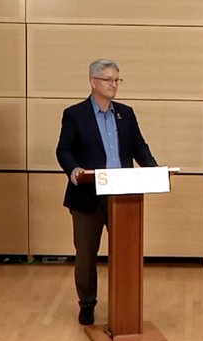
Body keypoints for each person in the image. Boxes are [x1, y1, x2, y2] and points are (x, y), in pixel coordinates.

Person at [56, 59, 158, 325]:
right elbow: (63, 150)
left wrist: (154, 170)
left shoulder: (126, 114)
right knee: (87, 254)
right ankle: (87, 303)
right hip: (87, 196)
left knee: (125, 251)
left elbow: (139, 148)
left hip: (123, 196)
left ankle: (125, 304)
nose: (114, 85)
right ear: (93, 82)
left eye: (117, 80)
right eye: (108, 80)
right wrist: (74, 169)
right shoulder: (75, 114)